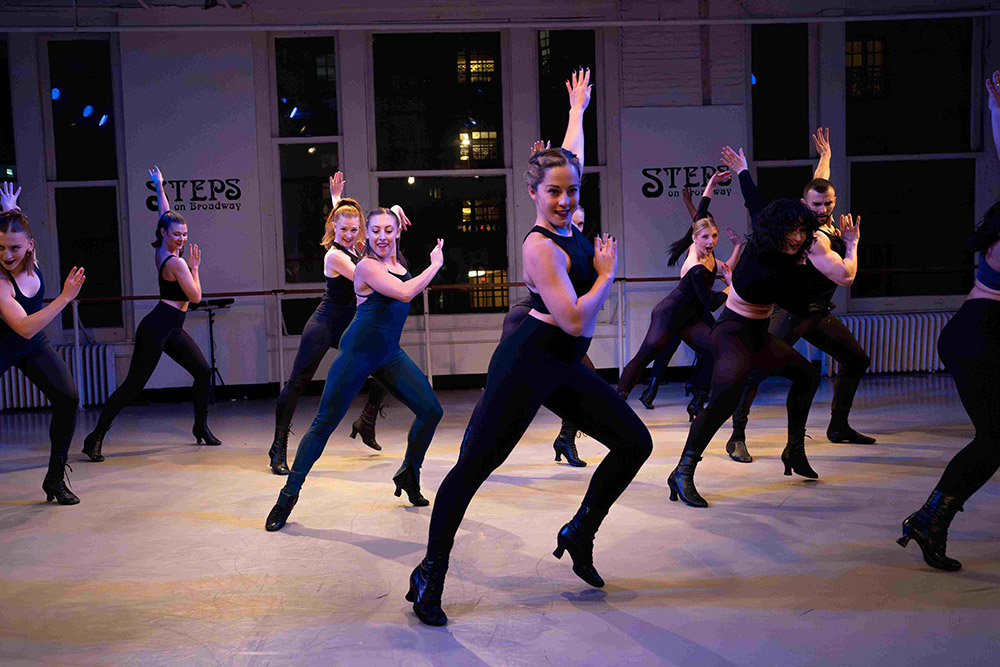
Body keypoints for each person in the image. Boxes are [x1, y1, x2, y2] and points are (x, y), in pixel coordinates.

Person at [406, 68, 653, 627]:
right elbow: (570, 317)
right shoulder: (540, 246)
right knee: (474, 467)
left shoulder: (568, 214)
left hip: (563, 365)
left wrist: (577, 112)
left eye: (572, 191)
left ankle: (579, 530)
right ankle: (430, 572)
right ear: (532, 194)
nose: (566, 200)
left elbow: (573, 157)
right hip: (530, 358)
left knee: (634, 442)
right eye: (554, 192)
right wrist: (607, 276)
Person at [265, 208, 444, 531]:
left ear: (398, 232)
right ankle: (287, 496)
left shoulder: (398, 264)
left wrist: (396, 213)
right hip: (356, 354)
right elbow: (405, 292)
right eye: (375, 231)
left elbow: (400, 272)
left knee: (431, 410)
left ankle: (409, 472)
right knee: (323, 425)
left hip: (389, 355)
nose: (382, 237)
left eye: (389, 230)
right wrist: (434, 265)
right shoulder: (365, 267)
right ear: (367, 235)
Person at [667, 148, 826, 507]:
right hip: (733, 333)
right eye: (793, 231)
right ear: (777, 230)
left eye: (804, 231)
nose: (799, 237)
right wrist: (802, 265)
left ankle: (794, 450)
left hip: (758, 335)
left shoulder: (780, 243)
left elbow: (755, 201)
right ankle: (682, 471)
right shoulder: (764, 259)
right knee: (721, 404)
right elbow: (799, 306)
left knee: (806, 375)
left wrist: (741, 170)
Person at [897, 71, 1000, 571]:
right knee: (995, 438)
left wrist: (997, 111)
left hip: (979, 331)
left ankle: (930, 518)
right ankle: (929, 518)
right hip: (979, 335)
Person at [720, 133, 872, 465]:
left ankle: (839, 426)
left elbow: (820, 183)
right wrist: (852, 243)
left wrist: (826, 157)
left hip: (817, 311)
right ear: (805, 206)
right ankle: (737, 437)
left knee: (857, 360)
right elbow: (846, 276)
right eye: (816, 205)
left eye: (828, 203)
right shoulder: (815, 237)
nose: (823, 209)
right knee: (756, 371)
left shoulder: (819, 206)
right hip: (792, 312)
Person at [267, 172, 402, 475]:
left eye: (355, 230)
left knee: (387, 364)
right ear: (333, 229)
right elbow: (366, 278)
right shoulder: (334, 256)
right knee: (297, 383)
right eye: (344, 230)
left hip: (349, 324)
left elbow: (354, 227)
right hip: (326, 322)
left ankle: (366, 421)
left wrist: (340, 200)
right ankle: (278, 447)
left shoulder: (356, 244)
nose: (350, 235)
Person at [82, 166, 219, 462]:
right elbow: (195, 298)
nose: (182, 239)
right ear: (164, 234)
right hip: (158, 326)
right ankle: (94, 438)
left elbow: (164, 214)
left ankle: (200, 426)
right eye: (177, 234)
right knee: (133, 385)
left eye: (185, 234)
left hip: (172, 326)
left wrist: (160, 186)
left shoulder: (163, 247)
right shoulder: (178, 264)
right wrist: (195, 267)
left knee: (203, 372)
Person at [617, 169, 742, 424]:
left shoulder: (709, 257)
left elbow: (703, 213)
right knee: (645, 358)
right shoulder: (695, 265)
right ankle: (618, 401)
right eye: (705, 237)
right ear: (694, 238)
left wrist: (712, 183)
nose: (711, 241)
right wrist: (730, 288)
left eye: (714, 236)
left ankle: (697, 402)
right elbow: (711, 303)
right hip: (669, 315)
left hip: (690, 317)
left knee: (714, 350)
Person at [0, 184, 86, 504]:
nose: (7, 255)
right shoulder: (0, 281)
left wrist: (11, 207)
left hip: (31, 342)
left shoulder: (29, 259)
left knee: (68, 397)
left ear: (30, 246)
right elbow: (22, 326)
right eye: (0, 248)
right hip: (8, 342)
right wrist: (65, 298)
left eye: (14, 248)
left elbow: (18, 227)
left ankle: (54, 479)